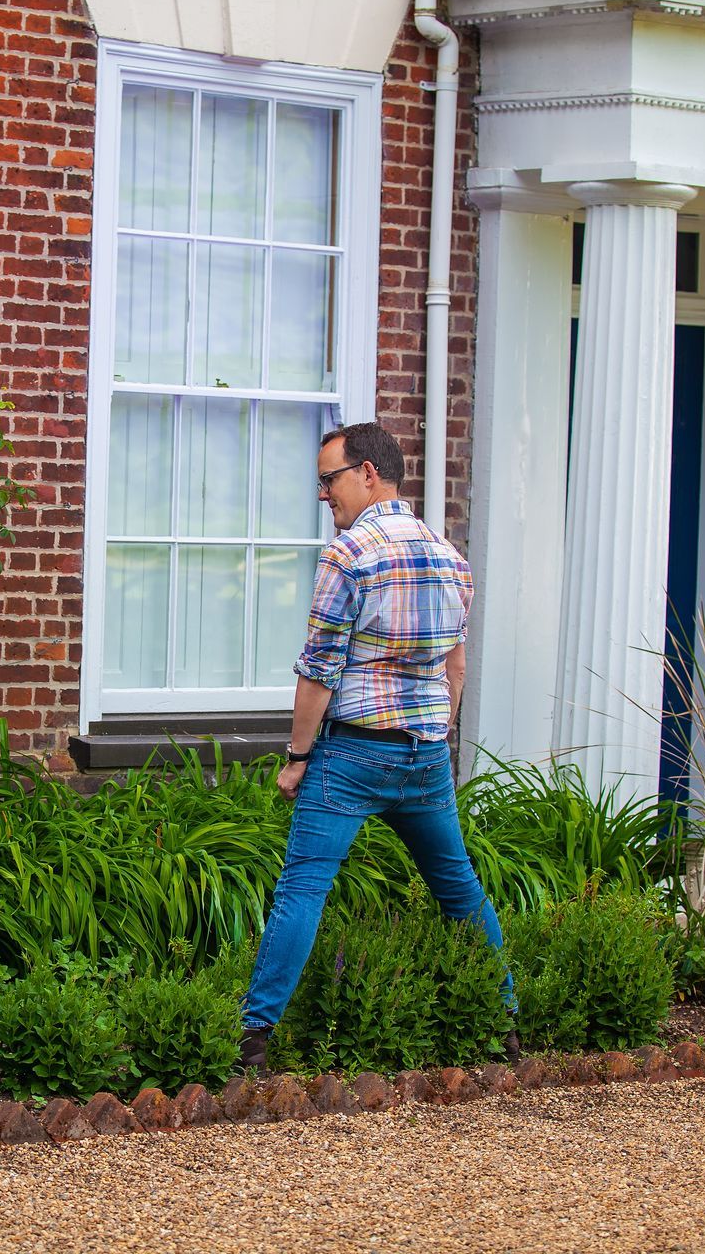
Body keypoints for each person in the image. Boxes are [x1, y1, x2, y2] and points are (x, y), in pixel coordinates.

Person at [238, 421, 508, 1072]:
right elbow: (456, 671)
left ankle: (252, 1046)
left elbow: (319, 668)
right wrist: (434, 741)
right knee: (460, 891)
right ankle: (504, 1026)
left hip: (351, 756)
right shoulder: (452, 559)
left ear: (368, 473)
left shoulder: (349, 554)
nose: (323, 496)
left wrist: (299, 757)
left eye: (329, 480)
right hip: (425, 754)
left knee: (303, 888)